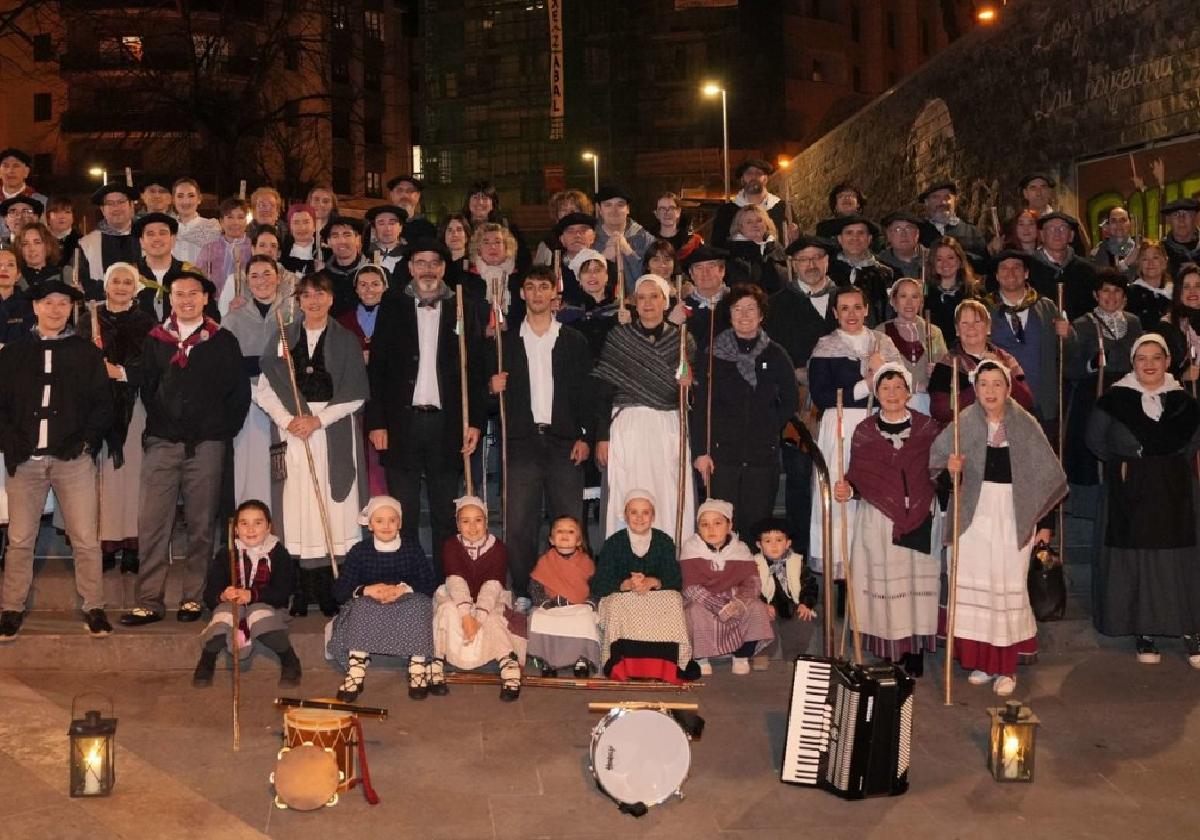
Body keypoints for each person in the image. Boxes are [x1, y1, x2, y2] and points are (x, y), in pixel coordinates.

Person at [122, 271, 250, 626]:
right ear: (171, 299)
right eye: (179, 294)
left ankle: (193, 597)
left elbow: (239, 393)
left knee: (201, 523)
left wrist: (219, 432)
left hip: (207, 445)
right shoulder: (156, 339)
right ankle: (149, 599)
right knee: (153, 522)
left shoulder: (223, 341)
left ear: (206, 298)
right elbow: (148, 386)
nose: (186, 300)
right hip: (163, 442)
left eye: (193, 293)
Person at [931, 359, 1067, 696]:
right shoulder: (963, 423)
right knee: (973, 586)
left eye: (997, 384)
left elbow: (1045, 477)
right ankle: (981, 661)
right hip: (972, 518)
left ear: (1008, 388)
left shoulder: (1025, 425)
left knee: (1006, 585)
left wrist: (1045, 524)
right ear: (974, 389)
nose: (990, 391)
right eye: (983, 384)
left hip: (1011, 514)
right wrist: (951, 470)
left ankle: (1005, 667)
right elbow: (937, 474)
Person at [0, 279, 113, 641]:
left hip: (72, 459)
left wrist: (85, 443)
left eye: (63, 303)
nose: (55, 309)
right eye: (48, 302)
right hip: (26, 460)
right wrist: (11, 443)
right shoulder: (13, 353)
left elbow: (102, 404)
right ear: (34, 307)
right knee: (19, 538)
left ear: (71, 310)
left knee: (84, 537)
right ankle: (10, 609)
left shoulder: (85, 352)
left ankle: (94, 606)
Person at [366, 240, 486, 574]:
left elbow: (475, 370)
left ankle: (447, 581)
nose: (428, 269)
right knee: (401, 510)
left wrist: (474, 421)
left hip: (447, 425)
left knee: (444, 512)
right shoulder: (392, 305)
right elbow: (376, 368)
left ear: (444, 269)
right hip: (401, 423)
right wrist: (377, 422)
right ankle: (408, 578)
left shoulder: (464, 306)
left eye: (435, 263)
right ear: (410, 268)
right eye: (421, 262)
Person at [256, 272, 368, 616]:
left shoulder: (347, 340)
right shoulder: (283, 338)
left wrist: (318, 420)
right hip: (293, 430)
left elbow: (356, 395)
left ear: (331, 299)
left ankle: (333, 588)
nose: (314, 301)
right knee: (297, 505)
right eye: (307, 296)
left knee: (334, 509)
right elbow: (265, 390)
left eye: (320, 294)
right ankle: (301, 591)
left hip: (331, 430)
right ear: (298, 301)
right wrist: (290, 421)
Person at [1087, 334, 1200, 668]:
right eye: (1142, 358)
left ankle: (1190, 630)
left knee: (1180, 562)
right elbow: (1095, 440)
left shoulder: (1185, 402)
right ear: (1133, 363)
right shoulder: (1114, 400)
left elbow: (1193, 444)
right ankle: (1144, 630)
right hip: (1130, 492)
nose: (1149, 364)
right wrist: (1130, 464)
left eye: (1156, 358)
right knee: (1138, 561)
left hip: (1175, 490)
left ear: (1167, 362)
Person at [489, 268, 592, 608]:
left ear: (554, 295)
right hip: (521, 441)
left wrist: (585, 435)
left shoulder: (573, 341)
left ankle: (575, 588)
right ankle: (522, 590)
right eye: (529, 288)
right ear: (521, 294)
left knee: (570, 520)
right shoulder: (504, 342)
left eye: (543, 287)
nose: (536, 294)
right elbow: (482, 395)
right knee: (519, 522)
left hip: (564, 441)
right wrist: (492, 389)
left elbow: (585, 394)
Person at [834, 364, 940, 677]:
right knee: (886, 585)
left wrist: (952, 469)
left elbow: (939, 472)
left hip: (920, 514)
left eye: (898, 388)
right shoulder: (865, 431)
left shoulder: (928, 429)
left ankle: (916, 650)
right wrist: (847, 489)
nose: (892, 394)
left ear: (908, 392)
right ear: (877, 393)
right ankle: (892, 651)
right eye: (885, 388)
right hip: (878, 518)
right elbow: (858, 478)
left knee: (916, 585)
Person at [806, 285, 901, 576]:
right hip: (841, 426)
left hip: (879, 424)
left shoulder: (882, 343)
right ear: (834, 312)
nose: (851, 313)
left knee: (875, 497)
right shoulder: (825, 347)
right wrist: (867, 383)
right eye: (844, 308)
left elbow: (901, 385)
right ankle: (843, 574)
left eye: (857, 307)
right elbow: (822, 396)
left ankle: (873, 571)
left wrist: (882, 368)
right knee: (842, 496)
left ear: (867, 309)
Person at [594, 273, 695, 540]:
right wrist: (602, 437)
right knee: (628, 492)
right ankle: (625, 563)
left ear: (666, 301)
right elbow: (602, 392)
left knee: (669, 493)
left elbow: (694, 396)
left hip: (669, 427)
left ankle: (670, 558)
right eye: (641, 297)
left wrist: (689, 384)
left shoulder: (683, 340)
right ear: (633, 303)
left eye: (654, 296)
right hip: (629, 427)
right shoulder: (619, 337)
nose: (647, 303)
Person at [691, 284, 798, 530]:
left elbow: (790, 399)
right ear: (729, 315)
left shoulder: (775, 354)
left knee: (756, 525)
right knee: (720, 526)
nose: (744, 315)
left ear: (761, 315)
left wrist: (769, 425)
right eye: (738, 309)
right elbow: (701, 408)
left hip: (762, 455)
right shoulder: (712, 354)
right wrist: (700, 452)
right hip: (721, 456)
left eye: (751, 309)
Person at [762, 235, 838, 562]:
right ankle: (799, 557)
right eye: (804, 259)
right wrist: (793, 373)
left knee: (837, 476)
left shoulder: (845, 299)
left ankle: (835, 554)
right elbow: (768, 351)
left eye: (817, 257)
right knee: (797, 476)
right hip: (796, 405)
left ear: (827, 261)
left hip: (840, 404)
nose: (811, 265)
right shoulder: (777, 303)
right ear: (793, 264)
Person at [78, 262, 157, 574]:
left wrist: (122, 373)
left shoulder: (147, 323)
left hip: (133, 406)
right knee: (100, 479)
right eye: (116, 281)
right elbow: (78, 363)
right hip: (97, 408)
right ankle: (104, 543)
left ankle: (133, 545)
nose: (122, 287)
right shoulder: (89, 320)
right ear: (106, 285)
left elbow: (153, 368)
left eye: (128, 282)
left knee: (133, 477)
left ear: (135, 287)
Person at [327, 495, 440, 700]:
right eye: (379, 521)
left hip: (405, 602)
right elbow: (339, 591)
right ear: (370, 525)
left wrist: (404, 589)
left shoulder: (412, 548)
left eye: (392, 520)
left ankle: (417, 668)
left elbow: (429, 584)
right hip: (371, 603)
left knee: (421, 605)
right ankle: (356, 671)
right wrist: (366, 590)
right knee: (360, 607)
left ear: (400, 523)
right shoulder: (360, 551)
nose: (386, 526)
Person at [590, 490, 697, 682]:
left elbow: (675, 579)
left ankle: (667, 666)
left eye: (645, 512)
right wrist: (625, 584)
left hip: (655, 594)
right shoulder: (614, 543)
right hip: (622, 595)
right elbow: (599, 583)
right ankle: (622, 664)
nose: (639, 518)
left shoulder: (664, 541)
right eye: (633, 512)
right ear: (625, 515)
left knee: (673, 600)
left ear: (653, 516)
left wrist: (652, 582)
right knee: (616, 604)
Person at [193, 500, 301, 688]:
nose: (250, 529)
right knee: (224, 617)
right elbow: (210, 594)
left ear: (268, 527)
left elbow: (282, 592)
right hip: (233, 605)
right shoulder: (226, 554)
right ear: (235, 529)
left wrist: (252, 596)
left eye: (258, 523)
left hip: (267, 604)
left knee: (258, 614)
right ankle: (207, 659)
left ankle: (289, 659)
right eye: (244, 523)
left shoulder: (279, 553)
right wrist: (223, 595)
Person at [434, 496, 527, 701]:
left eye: (478, 520)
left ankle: (507, 663)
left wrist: (479, 618)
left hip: (490, 597)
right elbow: (456, 581)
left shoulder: (498, 548)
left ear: (486, 521)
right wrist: (466, 616)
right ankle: (437, 658)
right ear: (458, 524)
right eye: (465, 521)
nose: (472, 526)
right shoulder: (451, 545)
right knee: (448, 610)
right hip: (456, 593)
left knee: (494, 618)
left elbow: (492, 585)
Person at [222, 254, 291, 512]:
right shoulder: (234, 317)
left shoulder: (293, 311)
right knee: (249, 466)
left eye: (267, 274)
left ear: (279, 277)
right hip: (248, 401)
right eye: (254, 275)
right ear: (246, 281)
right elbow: (226, 363)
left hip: (284, 400)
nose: (261, 280)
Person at [1064, 269, 1143, 485]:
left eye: (1117, 291)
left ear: (1124, 297)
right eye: (1105, 290)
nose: (1111, 295)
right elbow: (1069, 369)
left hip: (1128, 397)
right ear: (1096, 295)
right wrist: (1091, 364)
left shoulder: (1134, 323)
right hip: (1093, 397)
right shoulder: (1081, 325)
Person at [680, 498, 774, 676]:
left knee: (756, 608)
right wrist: (719, 606)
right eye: (704, 524)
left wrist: (738, 603)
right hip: (703, 600)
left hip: (734, 598)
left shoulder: (741, 550)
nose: (711, 529)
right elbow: (690, 587)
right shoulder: (691, 549)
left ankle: (741, 654)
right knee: (695, 612)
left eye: (717, 523)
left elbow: (752, 583)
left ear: (729, 525)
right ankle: (701, 657)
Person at [987, 249, 1073, 438]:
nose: (1010, 273)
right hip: (1002, 402)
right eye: (1004, 268)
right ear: (996, 275)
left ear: (1026, 273)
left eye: (1017, 268)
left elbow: (1068, 352)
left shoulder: (1047, 307)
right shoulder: (984, 310)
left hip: (1043, 402)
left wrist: (1067, 334)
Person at [928, 299, 1036, 426]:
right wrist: (979, 384)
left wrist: (1003, 372)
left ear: (988, 327)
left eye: (977, 322)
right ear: (957, 330)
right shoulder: (946, 365)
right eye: (965, 323)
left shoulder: (1006, 359)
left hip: (1005, 432)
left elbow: (1026, 401)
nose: (971, 328)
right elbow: (940, 411)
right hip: (965, 436)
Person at [336, 265, 390, 497]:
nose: (369, 290)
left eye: (375, 284)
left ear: (385, 287)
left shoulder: (395, 318)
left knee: (381, 458)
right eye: (363, 285)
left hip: (385, 397)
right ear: (356, 289)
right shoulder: (342, 322)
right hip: (354, 397)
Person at [526, 515, 601, 678]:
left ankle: (581, 658)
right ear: (552, 540)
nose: (565, 534)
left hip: (578, 606)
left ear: (579, 541)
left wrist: (590, 602)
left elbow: (595, 586)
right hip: (552, 605)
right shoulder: (545, 561)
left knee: (587, 618)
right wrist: (544, 602)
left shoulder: (586, 562)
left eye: (571, 531)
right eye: (560, 531)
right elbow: (534, 585)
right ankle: (548, 659)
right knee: (537, 617)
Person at [751, 517, 818, 669]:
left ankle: (794, 654)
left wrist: (805, 603)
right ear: (759, 545)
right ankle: (762, 652)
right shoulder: (754, 564)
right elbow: (750, 588)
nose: (774, 545)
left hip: (791, 604)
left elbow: (809, 585)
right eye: (767, 541)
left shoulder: (797, 562)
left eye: (779, 540)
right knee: (760, 619)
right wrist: (761, 604)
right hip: (766, 605)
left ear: (788, 543)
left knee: (803, 621)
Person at [133, 212, 219, 323]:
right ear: (141, 242)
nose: (157, 238)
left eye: (163, 233)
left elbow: (210, 316)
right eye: (150, 234)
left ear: (173, 240)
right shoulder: (130, 275)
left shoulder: (191, 274)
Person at [877, 277, 947, 413]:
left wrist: (937, 372)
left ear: (921, 302)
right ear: (893, 301)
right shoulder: (881, 332)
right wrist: (914, 386)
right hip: (892, 403)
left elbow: (944, 371)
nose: (909, 302)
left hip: (927, 404)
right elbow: (877, 374)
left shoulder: (934, 332)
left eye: (914, 297)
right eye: (903, 296)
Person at [557, 247, 625, 359]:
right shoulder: (567, 313)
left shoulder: (620, 310)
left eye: (597, 270)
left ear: (606, 276)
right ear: (578, 278)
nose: (592, 275)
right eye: (586, 271)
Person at [1029, 212, 1097, 320]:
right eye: (1051, 228)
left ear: (1071, 236)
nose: (1057, 233)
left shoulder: (1086, 271)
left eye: (1062, 228)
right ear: (1041, 235)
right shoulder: (1028, 268)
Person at [711, 158, 791, 248]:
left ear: (765, 179)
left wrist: (794, 238)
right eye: (749, 173)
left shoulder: (780, 207)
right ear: (742, 179)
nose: (754, 177)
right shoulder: (727, 211)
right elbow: (717, 246)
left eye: (758, 173)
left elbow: (789, 245)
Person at [827, 216, 892, 324]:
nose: (855, 238)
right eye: (849, 233)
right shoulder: (827, 271)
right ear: (840, 238)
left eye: (861, 233)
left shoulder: (886, 273)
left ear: (869, 239)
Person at [669, 243, 730, 355]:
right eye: (698, 267)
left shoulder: (738, 302)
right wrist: (672, 325)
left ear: (722, 271)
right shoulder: (681, 308)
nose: (705, 273)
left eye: (711, 266)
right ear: (691, 274)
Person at [592, 185, 655, 292]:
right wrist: (603, 259)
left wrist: (629, 252)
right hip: (601, 306)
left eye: (620, 205)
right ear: (599, 210)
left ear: (628, 209)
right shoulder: (590, 239)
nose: (614, 210)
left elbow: (653, 277)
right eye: (608, 205)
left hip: (639, 305)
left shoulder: (646, 240)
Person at [194, 197, 252, 315]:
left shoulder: (254, 248)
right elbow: (197, 278)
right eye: (229, 217)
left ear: (246, 221)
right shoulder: (209, 249)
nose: (235, 222)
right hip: (212, 308)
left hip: (246, 307)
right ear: (221, 221)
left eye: (240, 217)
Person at [923, 236, 984, 346]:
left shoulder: (974, 292)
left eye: (950, 258)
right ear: (933, 264)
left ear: (960, 261)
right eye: (939, 259)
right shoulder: (925, 294)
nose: (945, 263)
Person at [79, 184, 139, 291]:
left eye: (121, 202)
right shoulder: (87, 243)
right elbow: (83, 281)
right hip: (101, 304)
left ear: (131, 206)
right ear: (102, 210)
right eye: (110, 203)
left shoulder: (146, 237)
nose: (116, 208)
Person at [916, 180, 987, 271]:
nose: (943, 202)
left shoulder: (972, 232)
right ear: (926, 202)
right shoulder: (918, 233)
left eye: (947, 197)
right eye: (936, 197)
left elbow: (984, 267)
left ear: (955, 200)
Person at [462, 180, 531, 272]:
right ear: (468, 202)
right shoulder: (458, 227)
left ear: (493, 204)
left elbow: (524, 260)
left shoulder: (508, 228)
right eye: (475, 197)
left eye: (485, 198)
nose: (480, 202)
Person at [723, 204, 787, 295]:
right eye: (749, 222)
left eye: (759, 221)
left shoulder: (778, 250)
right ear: (740, 228)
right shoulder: (731, 254)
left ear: (766, 224)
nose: (755, 225)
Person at [533, 189, 594, 267]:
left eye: (573, 210)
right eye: (564, 210)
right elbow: (539, 272)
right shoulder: (548, 243)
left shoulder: (593, 237)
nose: (568, 214)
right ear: (556, 214)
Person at [322, 216, 368, 317]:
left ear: (357, 239)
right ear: (329, 242)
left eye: (347, 235)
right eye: (335, 236)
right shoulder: (321, 279)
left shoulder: (375, 274)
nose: (341, 241)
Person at [0, 148, 46, 241]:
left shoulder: (42, 202)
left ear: (26, 172)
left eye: (16, 166)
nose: (10, 171)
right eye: (5, 166)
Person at [171, 178, 221, 264]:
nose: (185, 201)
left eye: (191, 196)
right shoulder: (166, 228)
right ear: (173, 200)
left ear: (199, 199)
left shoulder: (212, 228)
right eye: (180, 196)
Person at [1126, 240, 1173, 330]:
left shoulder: (1176, 294)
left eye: (1155, 257)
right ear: (1139, 264)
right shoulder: (1131, 294)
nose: (1150, 263)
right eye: (1145, 259)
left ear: (1165, 262)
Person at [363, 204, 408, 286]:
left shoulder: (409, 256)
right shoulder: (365, 255)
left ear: (400, 227)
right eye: (381, 223)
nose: (387, 229)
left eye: (392, 223)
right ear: (374, 228)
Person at [648, 191, 702, 260]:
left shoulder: (692, 242)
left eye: (671, 208)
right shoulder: (647, 241)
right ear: (656, 213)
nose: (666, 212)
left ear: (678, 212)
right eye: (662, 208)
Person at [1090, 205, 1139, 277]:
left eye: (1123, 220)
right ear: (1108, 225)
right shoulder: (1097, 253)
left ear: (1130, 223)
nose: (1118, 224)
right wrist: (1125, 263)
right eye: (1113, 221)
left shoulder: (1140, 250)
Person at [878, 210, 927, 281]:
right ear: (888, 235)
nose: (903, 234)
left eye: (909, 228)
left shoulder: (933, 259)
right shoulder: (880, 264)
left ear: (917, 233)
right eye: (897, 229)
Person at [386, 174, 437, 242]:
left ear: (418, 196)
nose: (405, 195)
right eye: (400, 190)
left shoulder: (428, 229)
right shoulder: (378, 226)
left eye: (410, 191)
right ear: (391, 195)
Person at [15, 221, 62, 290]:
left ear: (47, 245)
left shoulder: (63, 276)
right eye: (25, 244)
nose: (31, 249)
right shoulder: (14, 278)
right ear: (20, 249)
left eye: (37, 242)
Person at [1160, 198, 1199, 278]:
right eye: (1176, 215)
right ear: (1169, 220)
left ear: (1195, 217)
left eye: (1186, 214)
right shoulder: (1160, 250)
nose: (1181, 219)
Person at [0, 248, 32, 345]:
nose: (3, 269)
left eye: (10, 265)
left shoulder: (30, 305)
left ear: (18, 275)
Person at [280, 203, 321, 277]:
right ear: (290, 228)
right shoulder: (281, 254)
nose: (302, 227)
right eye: (296, 222)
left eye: (306, 222)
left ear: (314, 226)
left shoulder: (325, 252)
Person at [45, 196, 81, 267]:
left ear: (73, 217)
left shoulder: (82, 241)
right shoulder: (40, 240)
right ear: (48, 217)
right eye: (56, 212)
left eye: (67, 212)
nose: (62, 216)